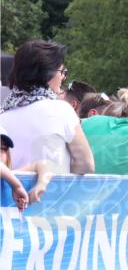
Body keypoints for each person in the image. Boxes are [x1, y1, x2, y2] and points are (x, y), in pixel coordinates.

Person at [0, 40, 94, 174]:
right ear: (48, 74)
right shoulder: (62, 110)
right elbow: (86, 164)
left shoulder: (3, 115)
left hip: (10, 193)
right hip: (50, 192)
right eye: (62, 72)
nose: (63, 77)